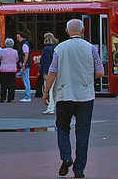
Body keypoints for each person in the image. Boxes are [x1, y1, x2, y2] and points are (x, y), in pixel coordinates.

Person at [48, 19, 103, 179]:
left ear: (67, 31)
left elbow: (52, 71)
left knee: (62, 127)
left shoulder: (60, 48)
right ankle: (79, 169)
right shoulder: (91, 48)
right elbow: (100, 73)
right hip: (85, 96)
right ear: (84, 30)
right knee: (83, 132)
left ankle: (66, 156)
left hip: (64, 95)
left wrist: (46, 92)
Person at [39, 33, 58, 111]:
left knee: (49, 89)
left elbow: (45, 63)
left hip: (50, 72)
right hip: (58, 71)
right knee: (56, 89)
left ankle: (50, 107)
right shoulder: (57, 47)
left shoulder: (47, 49)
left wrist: (45, 73)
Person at [0, 37, 19, 102]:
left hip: (4, 69)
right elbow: (17, 60)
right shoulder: (15, 51)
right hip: (12, 69)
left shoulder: (3, 51)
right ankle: (10, 98)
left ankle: (2, 98)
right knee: (11, 84)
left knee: (3, 84)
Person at [15, 32, 33, 102]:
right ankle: (27, 95)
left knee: (26, 80)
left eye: (18, 37)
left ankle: (28, 96)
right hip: (25, 64)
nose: (17, 39)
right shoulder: (24, 44)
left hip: (25, 65)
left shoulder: (24, 45)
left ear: (22, 37)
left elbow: (26, 55)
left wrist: (23, 65)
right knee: (26, 80)